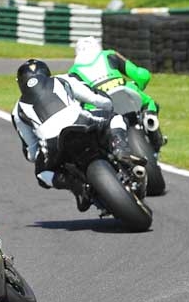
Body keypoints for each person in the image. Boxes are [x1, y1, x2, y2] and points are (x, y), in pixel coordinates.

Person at [11, 59, 143, 212]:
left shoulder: (17, 110)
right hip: (81, 122)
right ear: (46, 73)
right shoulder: (63, 79)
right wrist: (108, 105)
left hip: (52, 143)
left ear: (19, 82)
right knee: (115, 118)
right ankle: (121, 149)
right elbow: (97, 99)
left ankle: (75, 185)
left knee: (42, 174)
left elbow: (31, 153)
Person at [69, 36, 165, 149]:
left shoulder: (73, 72)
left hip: (99, 106)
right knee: (149, 103)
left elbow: (76, 101)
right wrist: (137, 86)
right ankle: (153, 130)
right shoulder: (109, 55)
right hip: (123, 93)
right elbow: (141, 76)